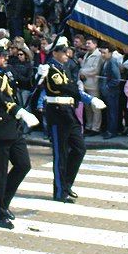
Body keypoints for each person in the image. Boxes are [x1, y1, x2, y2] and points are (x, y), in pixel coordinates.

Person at [0, 39, 38, 229]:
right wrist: (18, 111)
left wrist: (39, 75)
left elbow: (24, 83)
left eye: (5, 55)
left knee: (23, 165)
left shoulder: (7, 73)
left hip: (13, 127)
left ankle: (2, 199)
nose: (5, 58)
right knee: (0, 172)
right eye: (1, 56)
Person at [42, 36, 92, 203]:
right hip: (57, 114)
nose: (67, 54)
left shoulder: (63, 68)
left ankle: (67, 183)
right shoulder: (50, 69)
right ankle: (59, 191)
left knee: (80, 148)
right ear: (54, 53)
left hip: (68, 113)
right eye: (63, 51)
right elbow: (65, 87)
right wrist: (87, 98)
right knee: (61, 154)